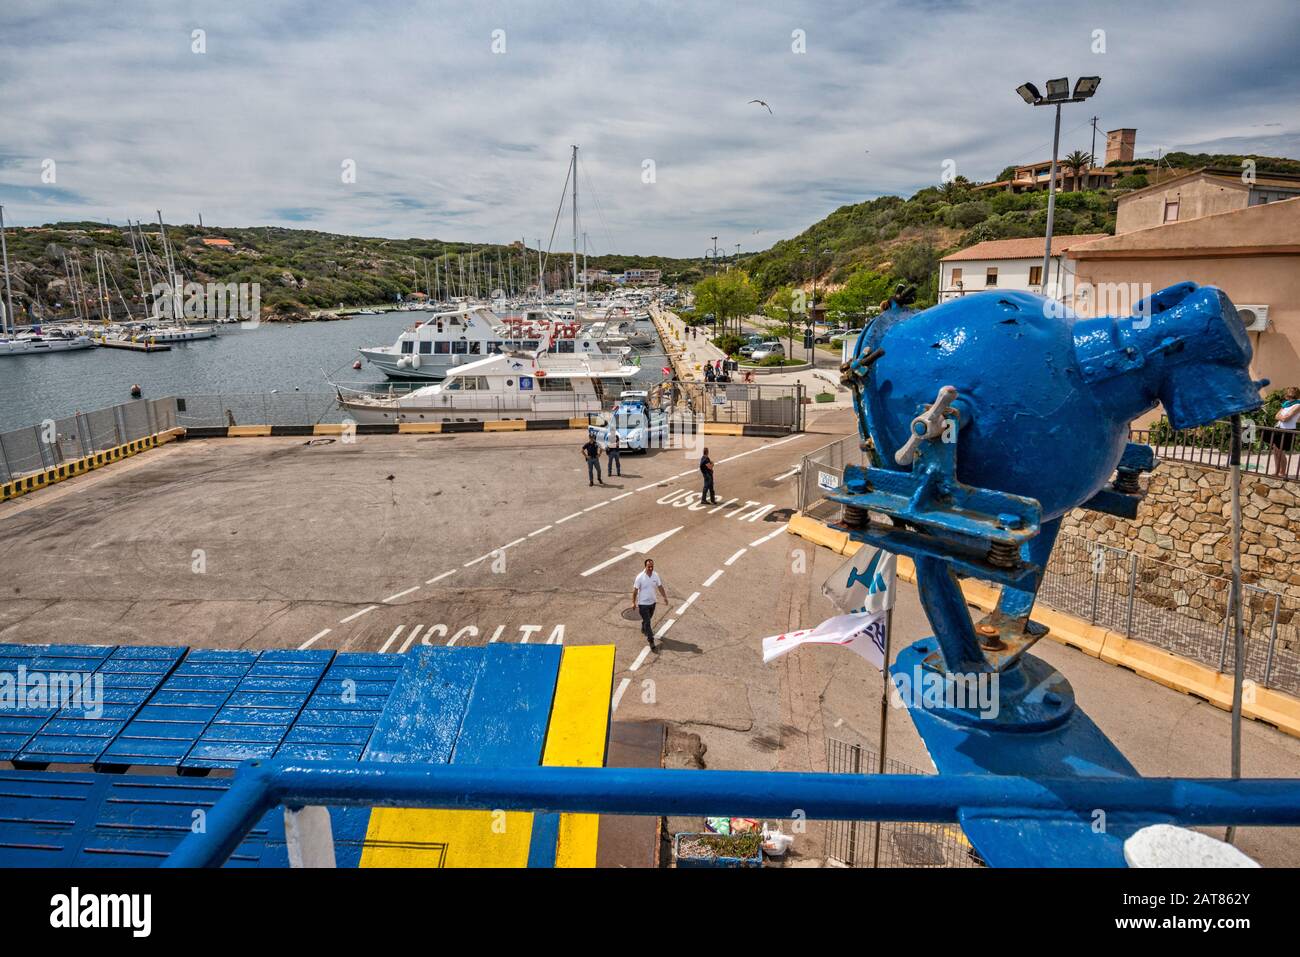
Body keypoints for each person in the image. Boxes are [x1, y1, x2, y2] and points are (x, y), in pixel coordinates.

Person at [631, 558, 668, 650]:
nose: (651, 568)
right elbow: (635, 591)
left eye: (652, 566)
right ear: (645, 566)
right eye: (649, 566)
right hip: (643, 604)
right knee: (648, 622)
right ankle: (651, 640)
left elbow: (660, 587)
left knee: (648, 620)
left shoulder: (655, 575)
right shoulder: (640, 577)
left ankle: (644, 627)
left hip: (653, 602)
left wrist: (665, 597)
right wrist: (633, 602)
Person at [1271, 387, 1300, 476]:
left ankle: (1282, 472)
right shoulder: (1286, 404)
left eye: (1288, 394)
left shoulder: (1298, 405)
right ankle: (1277, 472)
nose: (1287, 397)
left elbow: (1286, 418)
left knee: (1280, 452)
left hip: (1288, 430)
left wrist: (1281, 417)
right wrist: (1281, 417)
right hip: (1279, 428)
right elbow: (1277, 416)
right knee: (1276, 451)